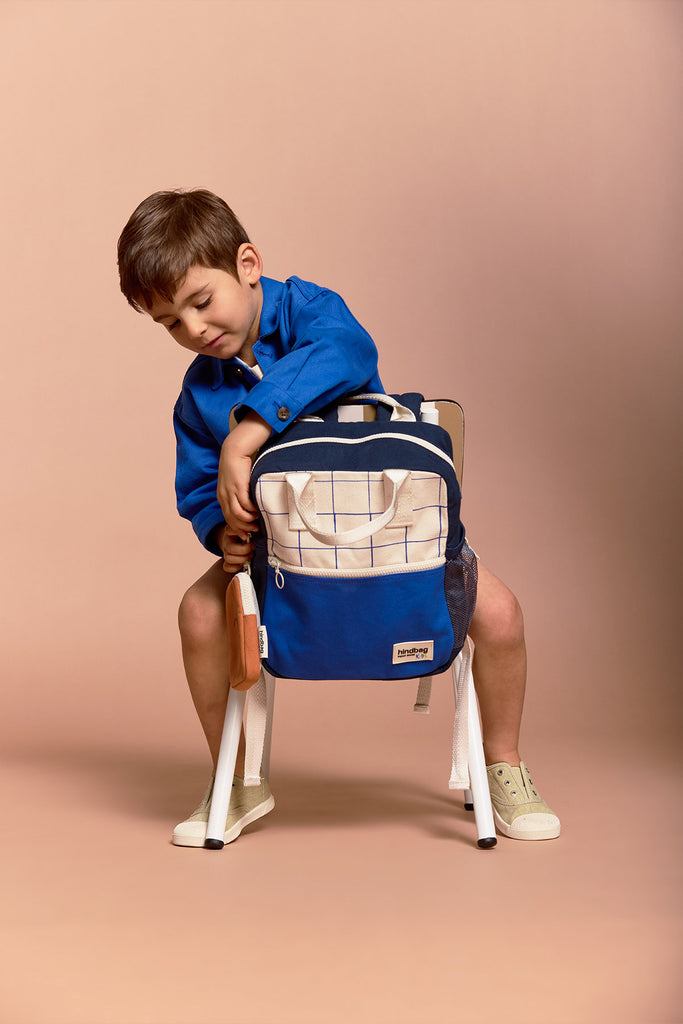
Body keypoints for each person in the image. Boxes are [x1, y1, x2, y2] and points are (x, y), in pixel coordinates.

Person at [117, 188, 560, 847]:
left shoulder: (313, 311)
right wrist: (221, 530)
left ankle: (503, 764)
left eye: (201, 301)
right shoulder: (198, 391)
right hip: (279, 561)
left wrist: (249, 431)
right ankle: (236, 777)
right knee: (199, 614)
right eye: (170, 323)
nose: (194, 329)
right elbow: (198, 485)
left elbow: (348, 352)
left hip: (394, 541)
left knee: (500, 616)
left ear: (247, 264)